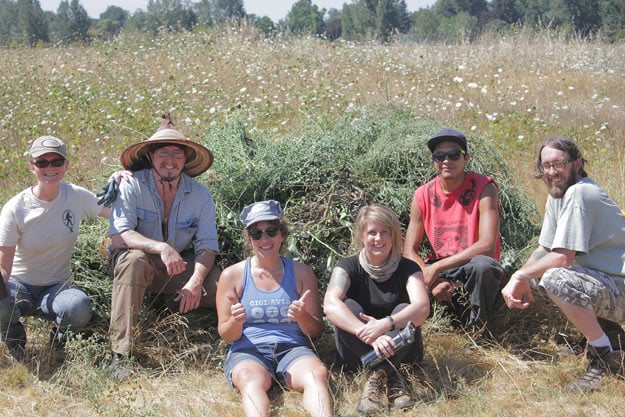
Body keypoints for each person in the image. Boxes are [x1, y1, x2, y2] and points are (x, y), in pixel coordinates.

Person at [501, 135, 625, 392]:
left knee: (554, 279)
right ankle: (611, 336)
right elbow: (545, 248)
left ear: (577, 163)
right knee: (537, 278)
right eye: (545, 166)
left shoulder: (580, 193)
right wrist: (521, 277)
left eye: (558, 164)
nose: (551, 172)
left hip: (619, 285)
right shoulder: (558, 195)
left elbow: (562, 258)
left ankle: (603, 354)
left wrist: (519, 277)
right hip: (604, 282)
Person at [107, 113, 220, 376]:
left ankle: (229, 341)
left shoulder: (200, 195)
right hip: (139, 263)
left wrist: (195, 280)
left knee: (224, 283)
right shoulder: (131, 184)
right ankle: (121, 355)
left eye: (177, 154)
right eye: (163, 152)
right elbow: (119, 236)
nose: (170, 159)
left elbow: (207, 246)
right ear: (151, 157)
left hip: (175, 268)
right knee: (133, 260)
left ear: (186, 159)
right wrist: (161, 247)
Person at [217, 200, 346, 417]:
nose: (264, 239)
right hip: (249, 350)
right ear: (249, 239)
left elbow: (315, 331)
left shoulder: (302, 273)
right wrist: (235, 321)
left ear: (282, 234)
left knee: (317, 374)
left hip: (293, 349)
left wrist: (302, 316)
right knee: (251, 380)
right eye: (256, 234)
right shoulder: (232, 276)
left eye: (271, 231)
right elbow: (226, 334)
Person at [0, 136, 115, 359]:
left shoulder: (76, 196)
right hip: (18, 286)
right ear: (32, 166)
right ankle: (12, 336)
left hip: (57, 287)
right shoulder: (15, 208)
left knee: (78, 307)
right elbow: (4, 270)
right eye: (42, 162)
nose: (50, 168)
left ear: (66, 165)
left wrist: (123, 177)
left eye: (56, 162)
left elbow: (115, 214)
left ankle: (60, 341)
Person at [323, 204, 430, 414]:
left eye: (384, 233)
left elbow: (422, 307)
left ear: (393, 236)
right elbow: (329, 304)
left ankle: (378, 376)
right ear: (362, 235)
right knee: (348, 306)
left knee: (405, 308)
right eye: (372, 232)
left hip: (403, 349)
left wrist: (385, 325)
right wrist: (371, 336)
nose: (378, 239)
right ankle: (391, 375)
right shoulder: (347, 267)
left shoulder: (409, 268)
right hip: (357, 352)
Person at [403, 128, 505, 338]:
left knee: (483, 267)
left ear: (465, 157)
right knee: (400, 271)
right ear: (434, 161)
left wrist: (437, 268)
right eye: (440, 156)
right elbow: (409, 251)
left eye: (453, 155)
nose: (446, 161)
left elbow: (486, 245)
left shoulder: (484, 188)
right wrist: (434, 279)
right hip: (441, 270)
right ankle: (414, 330)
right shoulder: (422, 195)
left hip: (470, 265)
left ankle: (480, 332)